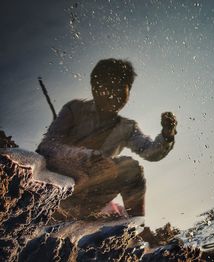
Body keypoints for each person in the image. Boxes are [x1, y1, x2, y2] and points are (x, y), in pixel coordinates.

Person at [36, 58, 177, 220]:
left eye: (119, 87)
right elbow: (47, 146)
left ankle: (136, 224)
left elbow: (151, 152)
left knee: (130, 168)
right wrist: (86, 157)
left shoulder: (127, 127)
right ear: (94, 87)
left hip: (91, 192)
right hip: (59, 184)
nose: (112, 93)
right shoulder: (74, 109)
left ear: (128, 91)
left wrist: (167, 134)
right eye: (106, 85)